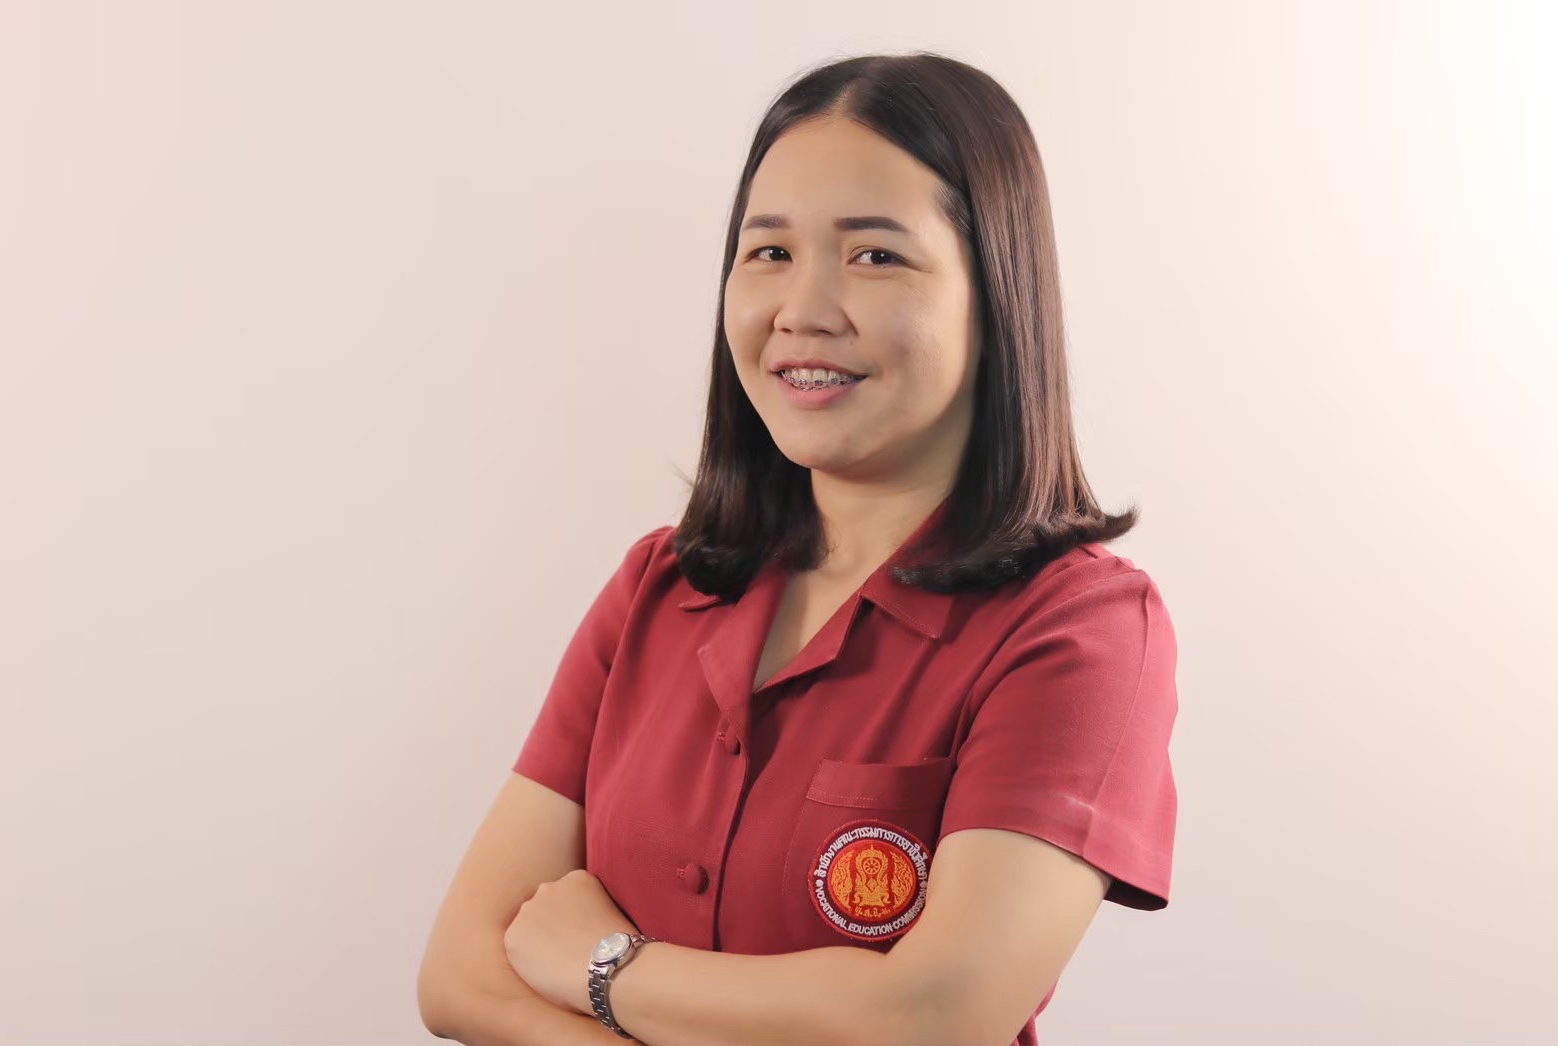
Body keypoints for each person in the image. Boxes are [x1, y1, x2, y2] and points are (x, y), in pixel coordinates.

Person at [418, 49, 1178, 1046]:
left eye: (874, 256)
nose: (803, 310)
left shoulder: (1079, 631)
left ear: (996, 296)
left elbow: (937, 1015)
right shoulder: (657, 586)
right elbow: (460, 976)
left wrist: (606, 966)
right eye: (769, 251)